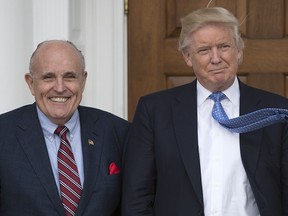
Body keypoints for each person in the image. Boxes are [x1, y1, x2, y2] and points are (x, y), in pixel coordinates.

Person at [122, 7, 288, 216]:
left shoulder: (275, 111)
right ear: (188, 57)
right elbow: (137, 198)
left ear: (239, 50)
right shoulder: (155, 111)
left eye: (224, 46)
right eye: (204, 50)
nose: (216, 58)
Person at [0, 40, 129, 216]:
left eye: (69, 77)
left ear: (83, 81)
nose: (60, 88)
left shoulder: (119, 132)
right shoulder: (3, 134)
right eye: (48, 77)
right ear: (31, 83)